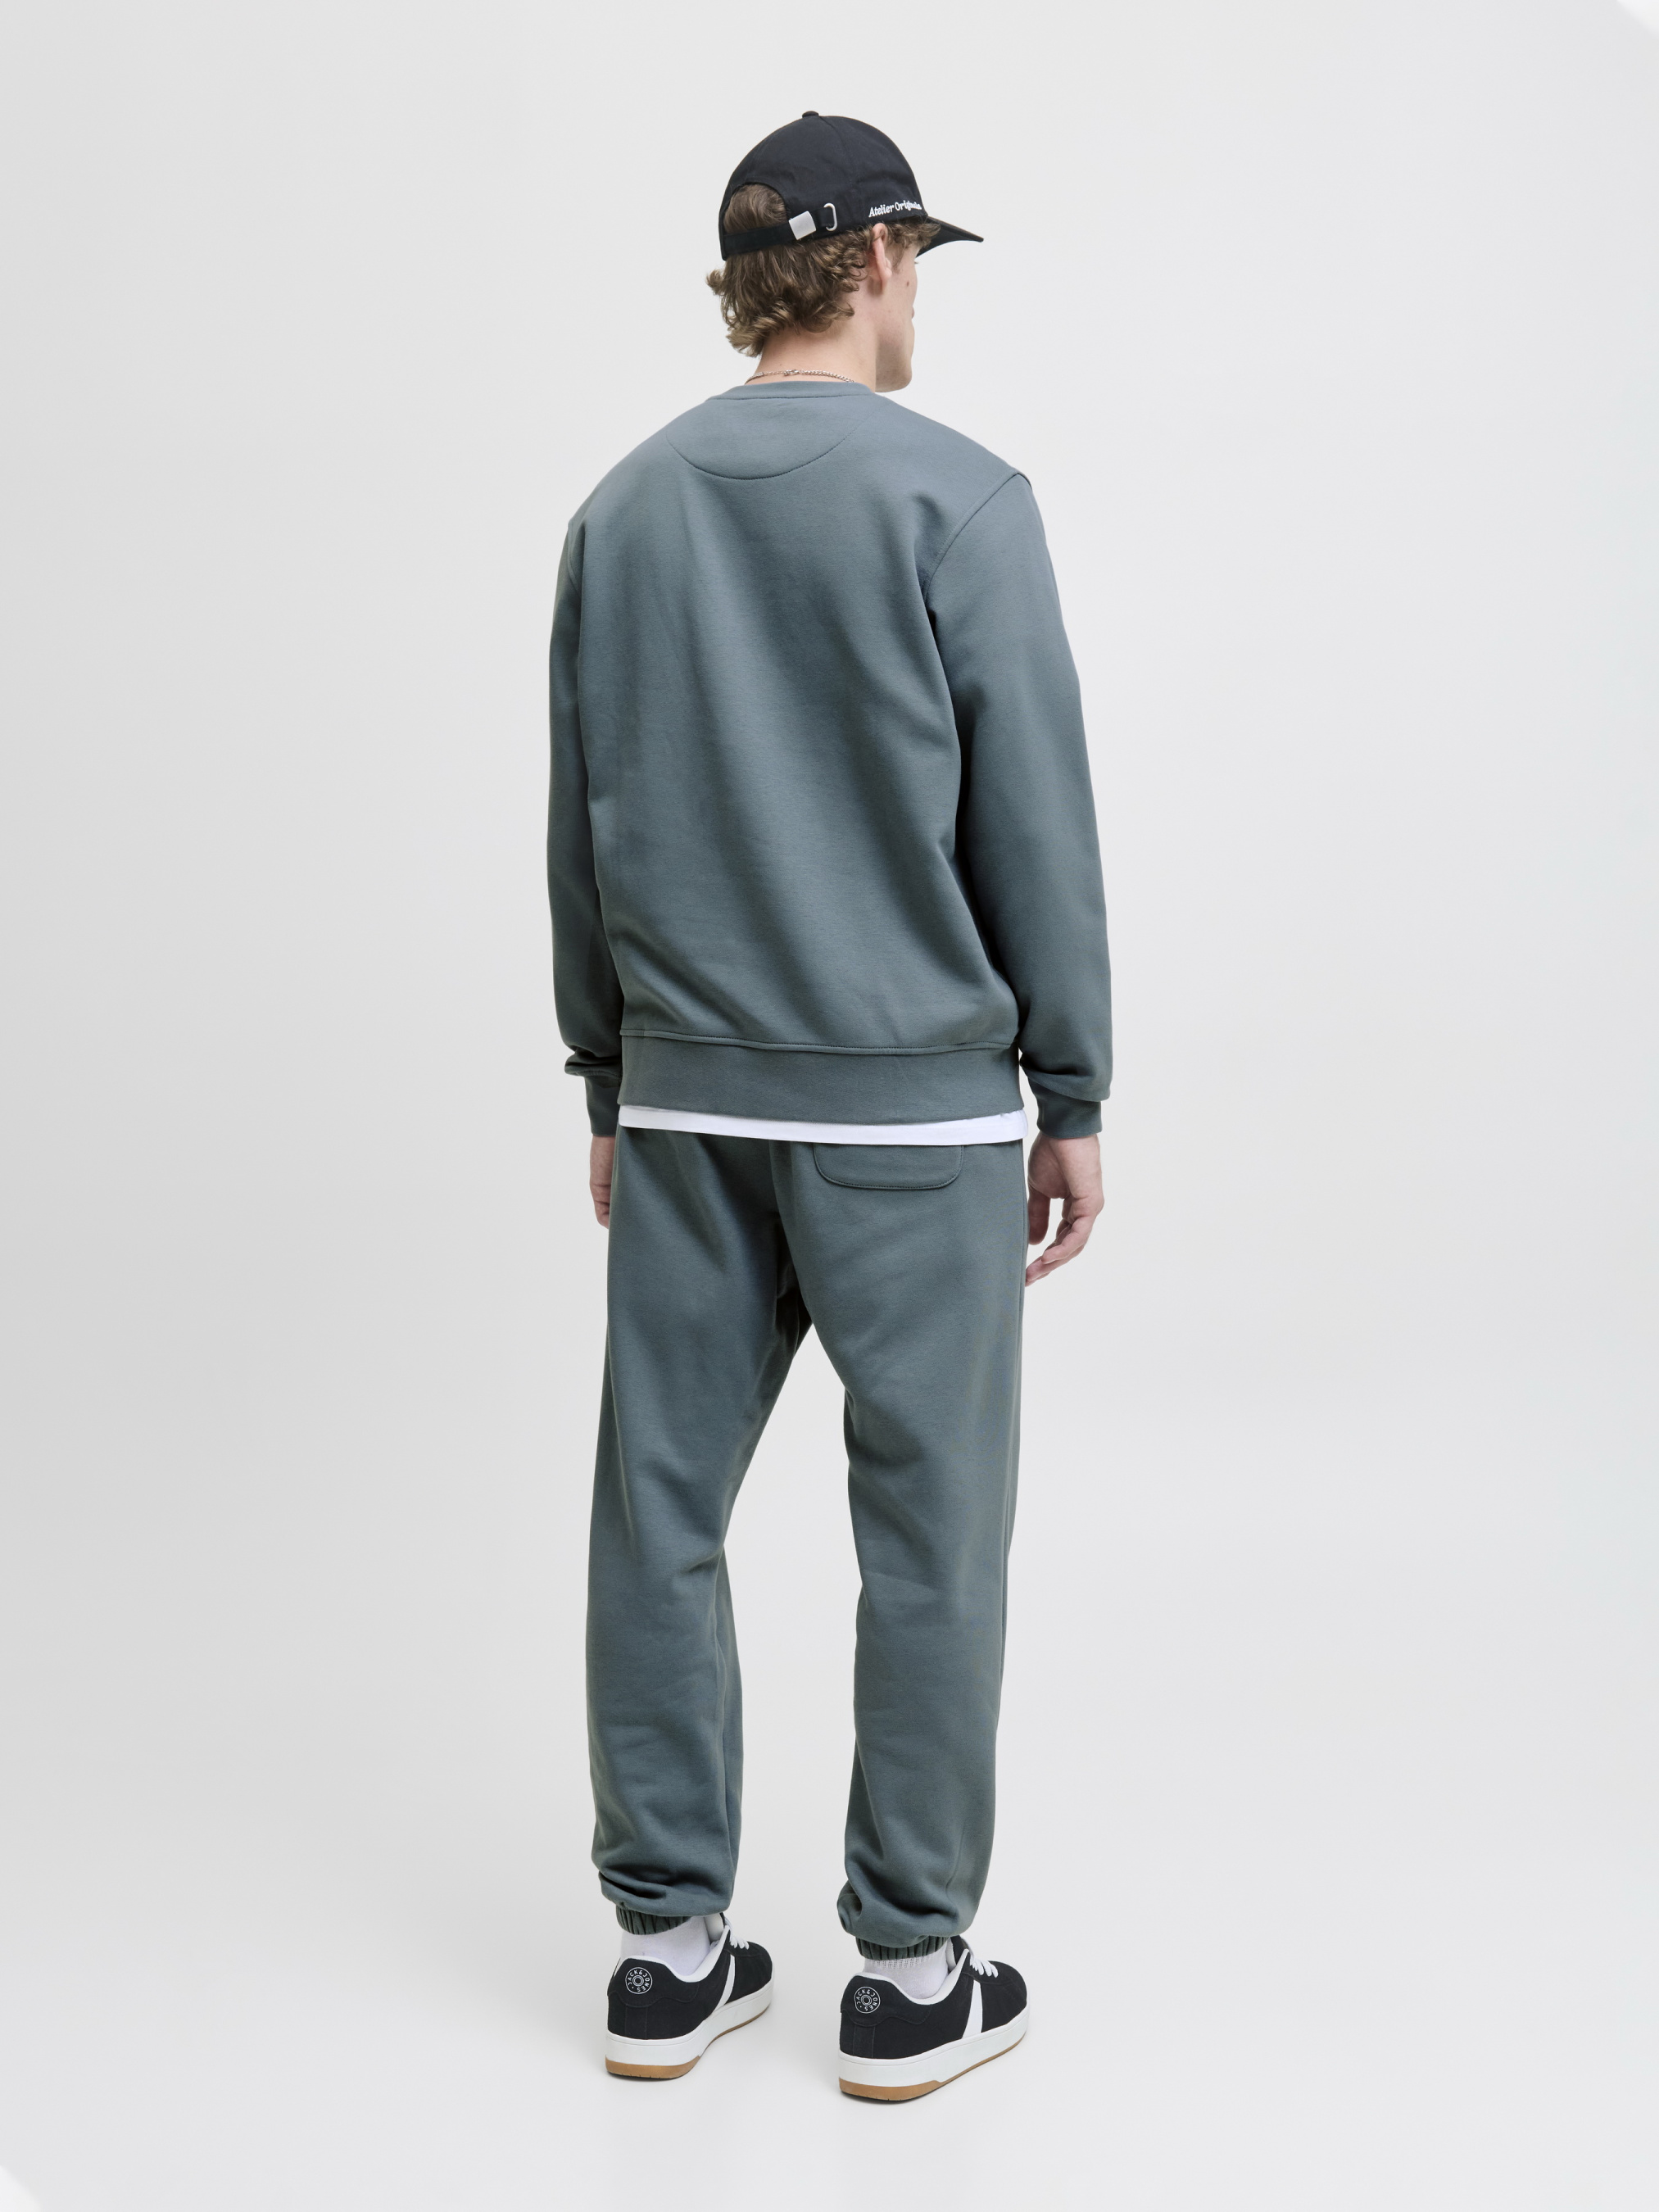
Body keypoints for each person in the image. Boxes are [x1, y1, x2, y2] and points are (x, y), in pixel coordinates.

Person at [547, 111, 1111, 2101]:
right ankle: (907, 1975)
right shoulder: (960, 502)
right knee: (930, 1536)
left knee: (657, 1514)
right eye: (914, 263)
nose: (913, 298)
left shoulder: (621, 512)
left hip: (690, 1106)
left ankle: (664, 1953)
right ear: (871, 262)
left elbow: (579, 829)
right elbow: (1030, 818)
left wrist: (607, 1072)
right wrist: (1069, 1085)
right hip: (913, 1120)